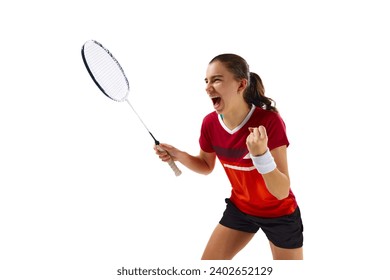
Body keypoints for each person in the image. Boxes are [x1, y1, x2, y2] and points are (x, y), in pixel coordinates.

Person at [155, 54, 303, 260]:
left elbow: (280, 191)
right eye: (206, 81)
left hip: (279, 214)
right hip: (241, 209)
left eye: (216, 80)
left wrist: (261, 155)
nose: (208, 87)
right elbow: (206, 165)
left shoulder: (269, 122)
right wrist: (178, 155)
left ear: (241, 84)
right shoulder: (210, 123)